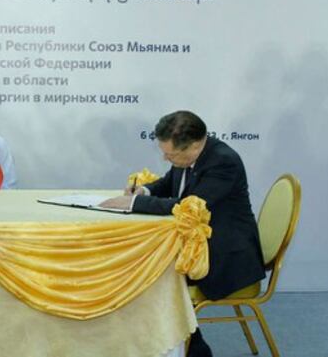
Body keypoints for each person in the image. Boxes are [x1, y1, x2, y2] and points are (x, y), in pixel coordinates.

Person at [101, 110, 265, 357]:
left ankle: (193, 350)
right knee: (145, 269)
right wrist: (144, 191)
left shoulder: (223, 162)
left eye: (171, 155)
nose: (166, 159)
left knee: (152, 276)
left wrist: (133, 204)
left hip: (227, 256)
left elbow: (186, 205)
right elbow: (170, 183)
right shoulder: (188, 158)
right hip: (202, 244)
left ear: (196, 145)